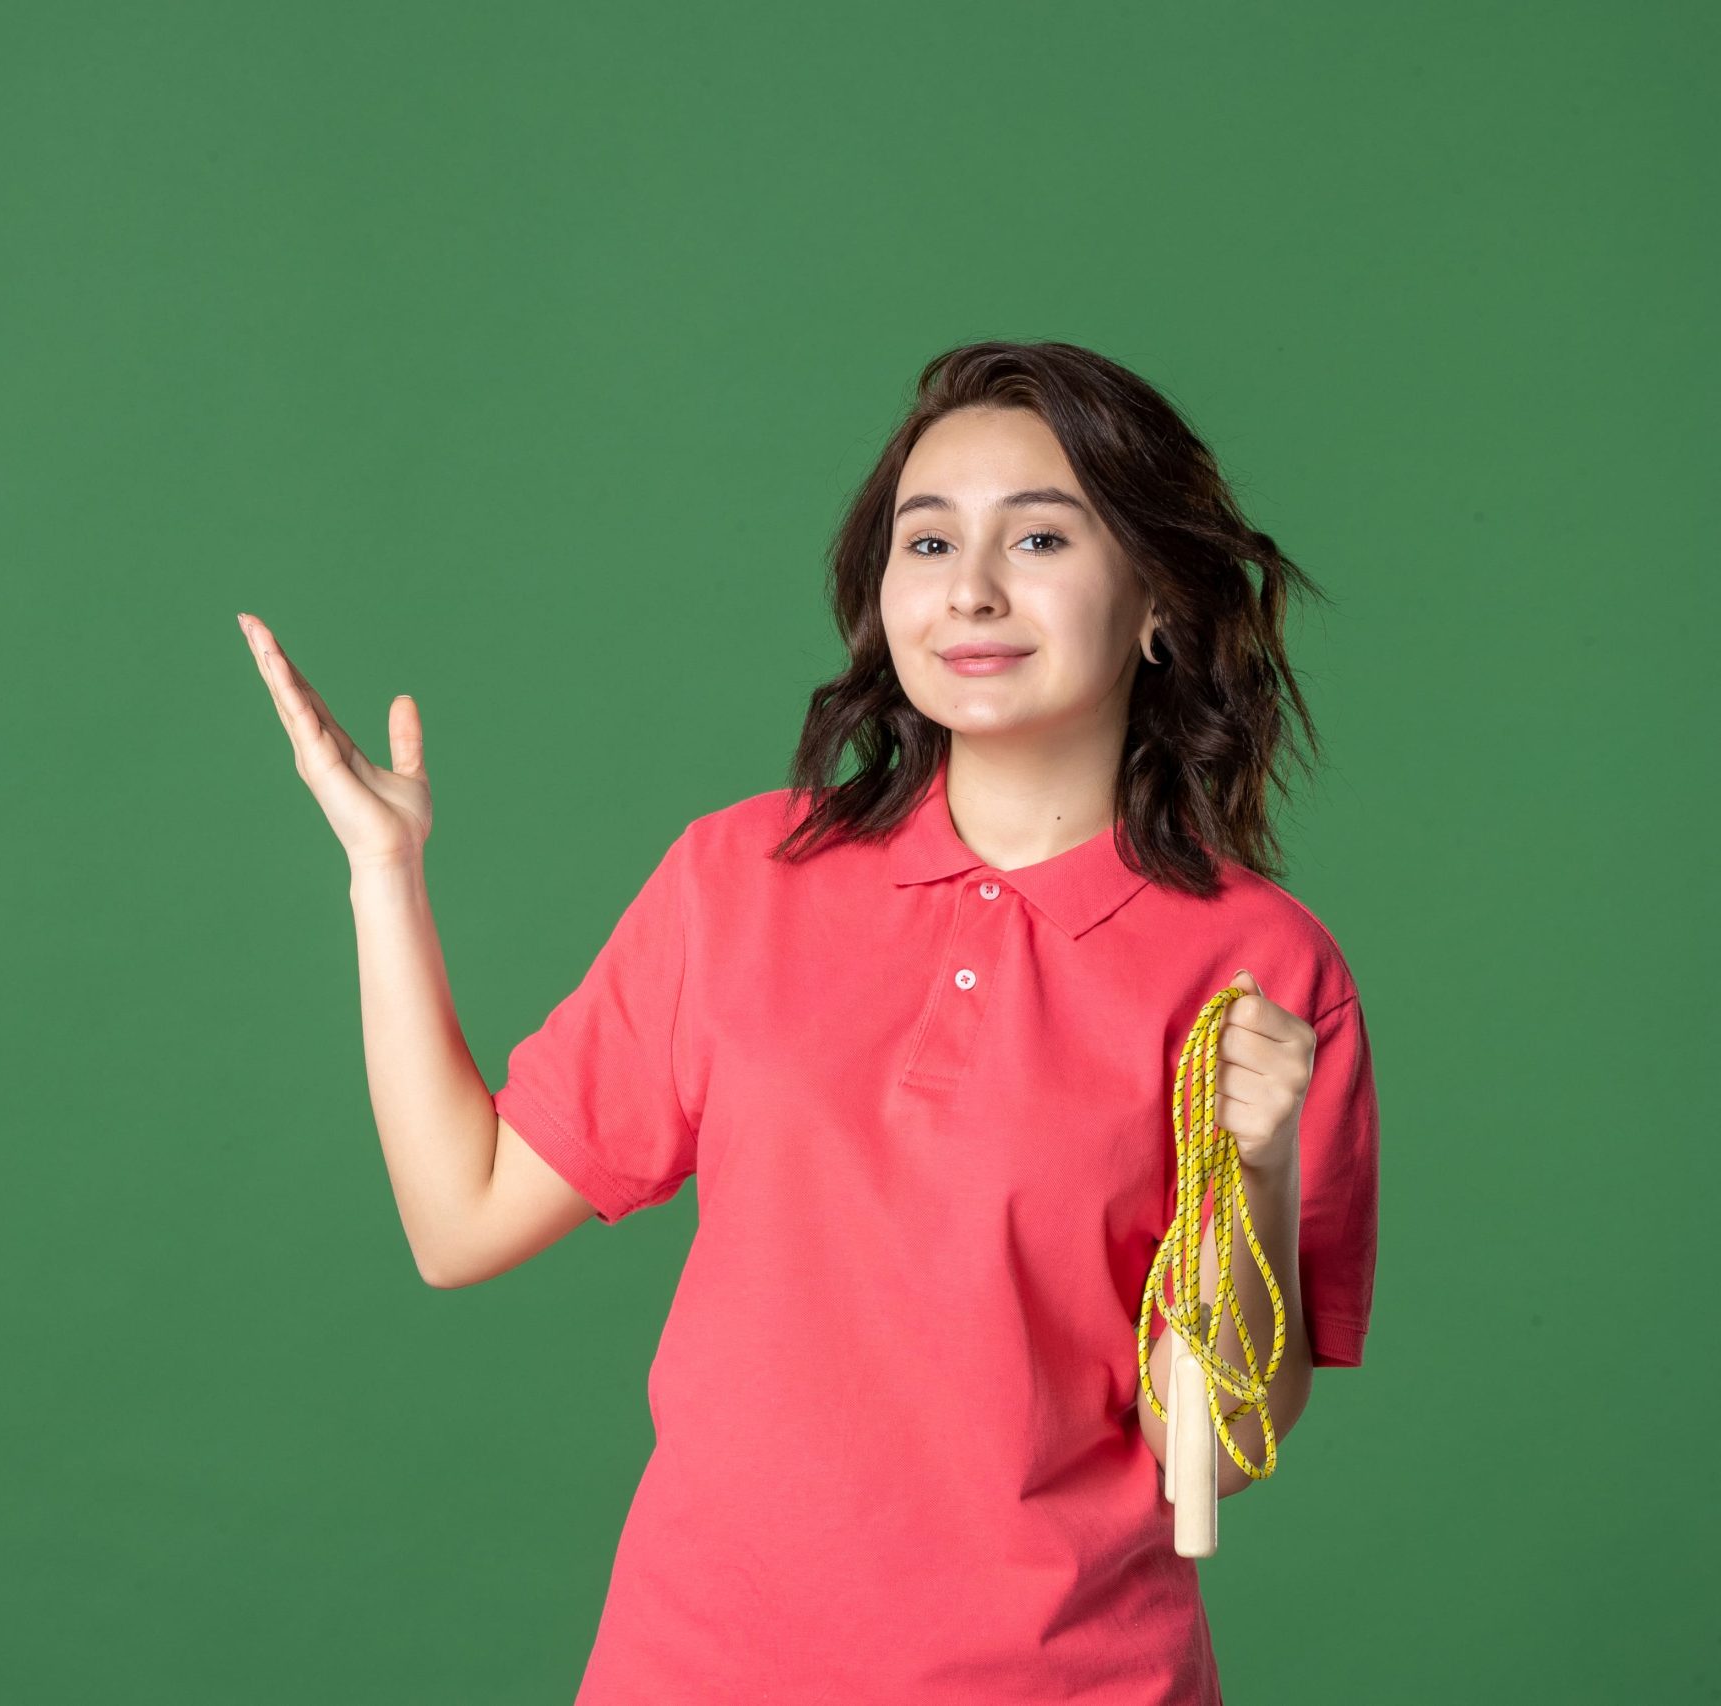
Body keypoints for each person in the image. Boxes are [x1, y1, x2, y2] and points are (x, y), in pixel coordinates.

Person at [234, 339, 1379, 1704]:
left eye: (1042, 536)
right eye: (928, 538)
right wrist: (384, 874)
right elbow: (459, 1216)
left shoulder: (1260, 967)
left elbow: (1221, 1445)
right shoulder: (740, 879)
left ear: (1153, 600)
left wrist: (1251, 1171)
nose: (971, 586)